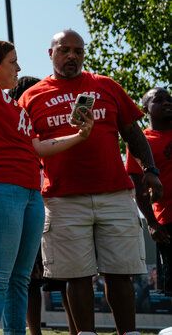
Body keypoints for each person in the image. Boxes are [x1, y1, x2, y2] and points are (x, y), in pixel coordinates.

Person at [0, 0, 94, 335]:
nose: (19, 69)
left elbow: (38, 146)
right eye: (14, 63)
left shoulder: (14, 106)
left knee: (21, 279)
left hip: (30, 193)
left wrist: (80, 136)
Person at [21, 30, 162, 335]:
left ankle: (129, 332)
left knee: (120, 273)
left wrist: (150, 168)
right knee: (76, 275)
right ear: (50, 53)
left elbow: (133, 132)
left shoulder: (106, 86)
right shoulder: (31, 97)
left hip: (114, 194)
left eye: (78, 51)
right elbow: (23, 149)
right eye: (65, 50)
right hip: (62, 199)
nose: (72, 56)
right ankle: (85, 333)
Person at [11, 76, 76, 335]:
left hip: (55, 203)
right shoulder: (15, 130)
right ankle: (34, 331)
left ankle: (77, 330)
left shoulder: (52, 131)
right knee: (29, 278)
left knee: (68, 274)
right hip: (29, 205)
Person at [127, 87, 172, 295]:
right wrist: (152, 223)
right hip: (167, 223)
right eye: (159, 100)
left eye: (169, 99)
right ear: (145, 109)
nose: (166, 103)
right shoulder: (141, 143)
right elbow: (138, 187)